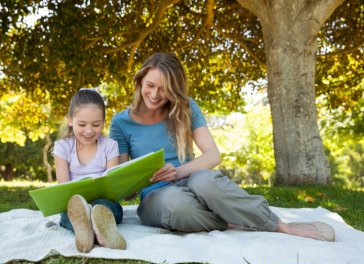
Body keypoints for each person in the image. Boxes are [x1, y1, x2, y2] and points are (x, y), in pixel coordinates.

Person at [109, 52, 335, 241]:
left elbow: (212, 155)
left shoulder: (186, 107)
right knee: (176, 204)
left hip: (190, 180)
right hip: (156, 196)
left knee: (206, 181)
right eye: (150, 85)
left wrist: (177, 172)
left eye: (164, 88)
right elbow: (124, 189)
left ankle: (279, 225)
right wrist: (142, 180)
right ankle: (230, 220)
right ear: (140, 81)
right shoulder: (120, 122)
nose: (155, 95)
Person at [52, 88, 127, 253]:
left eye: (96, 124)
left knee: (104, 207)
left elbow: (111, 184)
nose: (89, 131)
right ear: (70, 120)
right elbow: (63, 185)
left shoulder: (110, 146)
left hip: (103, 201)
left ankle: (94, 227)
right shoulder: (62, 147)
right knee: (69, 214)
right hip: (76, 204)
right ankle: (95, 232)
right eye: (82, 124)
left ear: (103, 123)